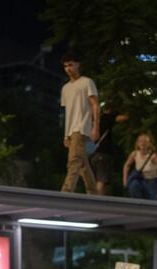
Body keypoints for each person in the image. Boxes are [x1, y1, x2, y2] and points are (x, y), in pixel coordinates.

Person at [59, 54, 99, 193]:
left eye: (70, 64)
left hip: (81, 128)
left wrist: (95, 128)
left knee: (73, 161)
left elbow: (95, 105)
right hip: (71, 130)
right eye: (65, 66)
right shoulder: (65, 88)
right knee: (82, 164)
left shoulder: (87, 82)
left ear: (78, 64)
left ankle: (66, 192)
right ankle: (93, 193)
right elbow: (68, 113)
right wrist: (65, 135)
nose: (68, 68)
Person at [91, 108, 128, 195]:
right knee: (102, 180)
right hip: (104, 153)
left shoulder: (93, 122)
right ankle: (97, 201)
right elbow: (123, 118)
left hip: (94, 154)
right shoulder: (106, 118)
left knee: (95, 179)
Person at [122, 133, 157, 200]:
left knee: (150, 204)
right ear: (137, 143)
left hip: (151, 182)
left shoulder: (153, 157)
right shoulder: (134, 154)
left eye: (145, 141)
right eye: (140, 141)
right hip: (139, 180)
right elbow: (127, 165)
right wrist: (125, 180)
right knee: (134, 187)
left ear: (149, 144)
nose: (143, 144)